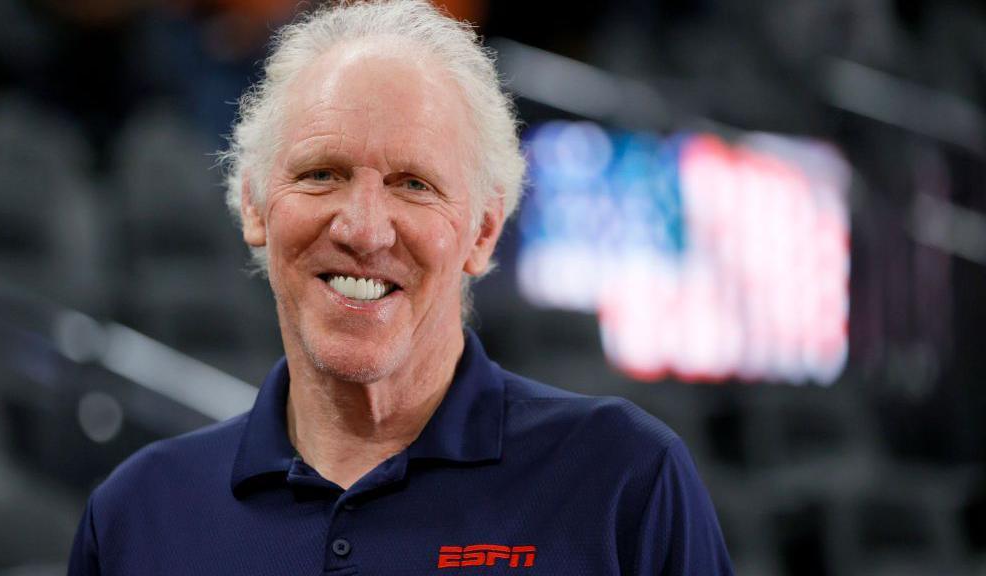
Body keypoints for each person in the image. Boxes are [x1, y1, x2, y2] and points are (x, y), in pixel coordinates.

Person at [68, 1, 734, 574]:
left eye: (413, 184)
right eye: (321, 174)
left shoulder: (625, 480)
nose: (363, 228)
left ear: (481, 232)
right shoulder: (137, 515)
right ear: (253, 206)